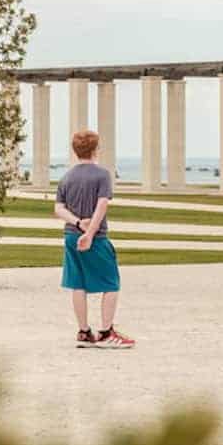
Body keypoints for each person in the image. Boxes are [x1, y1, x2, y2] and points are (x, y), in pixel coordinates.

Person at [54, 129, 135, 349]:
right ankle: (107, 332)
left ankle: (84, 332)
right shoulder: (102, 175)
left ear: (75, 151)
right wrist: (89, 233)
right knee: (111, 282)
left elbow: (58, 209)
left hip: (70, 235)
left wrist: (79, 223)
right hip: (96, 237)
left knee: (77, 283)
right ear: (96, 149)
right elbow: (102, 205)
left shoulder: (67, 176)